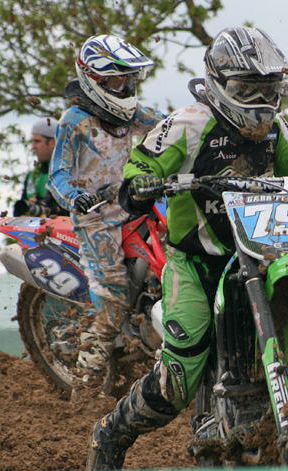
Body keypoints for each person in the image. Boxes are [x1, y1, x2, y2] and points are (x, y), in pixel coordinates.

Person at [88, 26, 288, 471]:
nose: (259, 101)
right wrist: (142, 182)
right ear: (219, 84)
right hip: (198, 265)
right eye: (247, 89)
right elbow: (142, 162)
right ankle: (112, 433)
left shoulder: (276, 129)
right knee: (179, 378)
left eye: (268, 90)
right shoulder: (188, 124)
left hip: (266, 254)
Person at [48, 34, 163, 380]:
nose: (124, 87)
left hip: (135, 204)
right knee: (113, 302)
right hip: (96, 218)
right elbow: (57, 174)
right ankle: (85, 386)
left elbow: (170, 127)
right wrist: (75, 197)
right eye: (116, 81)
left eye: (129, 79)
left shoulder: (132, 113)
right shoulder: (75, 120)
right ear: (94, 79)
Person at [13, 118, 67, 217]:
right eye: (32, 142)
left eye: (37, 141)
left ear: (53, 143)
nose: (33, 147)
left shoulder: (68, 174)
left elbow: (73, 212)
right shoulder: (32, 176)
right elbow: (18, 214)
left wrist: (47, 211)